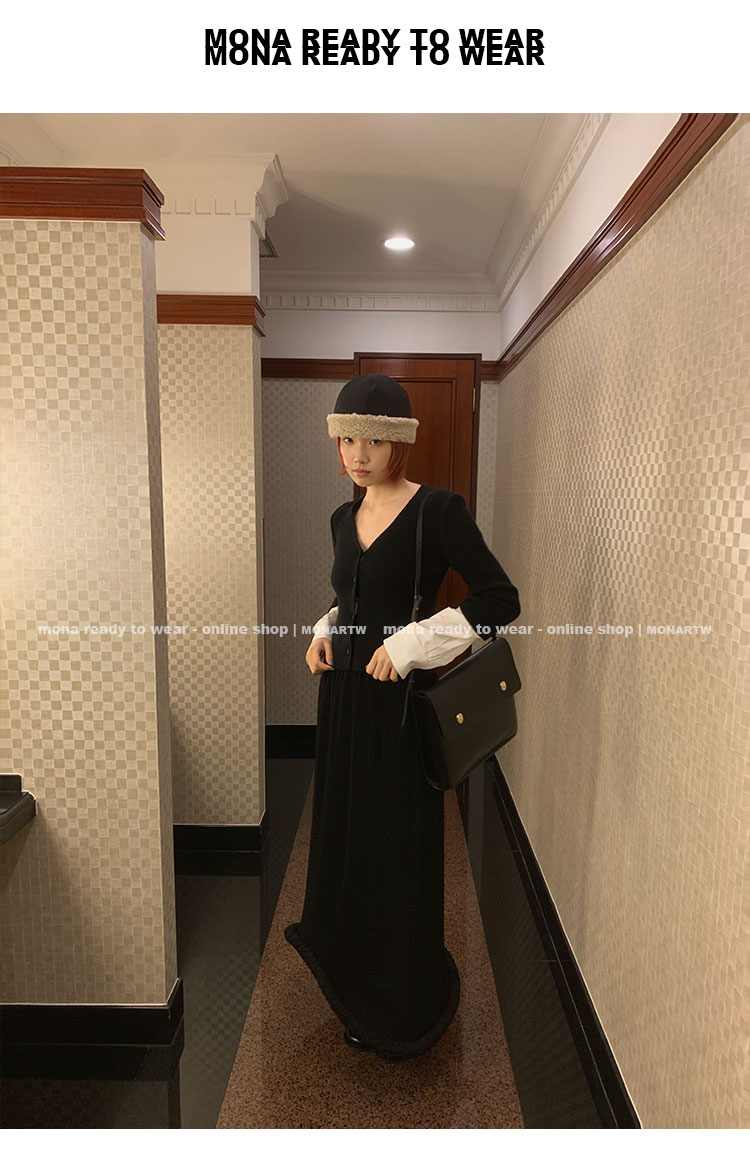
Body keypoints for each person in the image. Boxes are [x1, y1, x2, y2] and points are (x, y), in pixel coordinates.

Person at [283, 373, 521, 1061]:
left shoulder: (438, 512)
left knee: (395, 849)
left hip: (399, 711)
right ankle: (354, 981)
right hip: (344, 705)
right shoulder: (342, 517)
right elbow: (355, 596)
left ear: (400, 445)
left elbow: (499, 599)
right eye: (347, 440)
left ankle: (402, 1001)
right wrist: (325, 629)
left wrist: (411, 643)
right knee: (349, 841)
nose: (358, 455)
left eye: (375, 441)